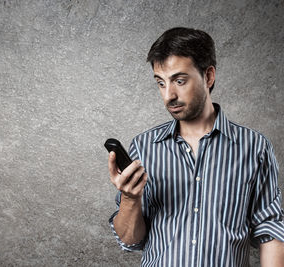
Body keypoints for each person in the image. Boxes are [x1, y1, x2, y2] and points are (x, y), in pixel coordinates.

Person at [108, 27, 284, 266]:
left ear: (208, 76)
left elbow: (270, 232)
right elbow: (130, 240)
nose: (168, 95)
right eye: (161, 83)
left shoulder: (254, 147)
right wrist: (130, 197)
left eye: (179, 81)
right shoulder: (144, 146)